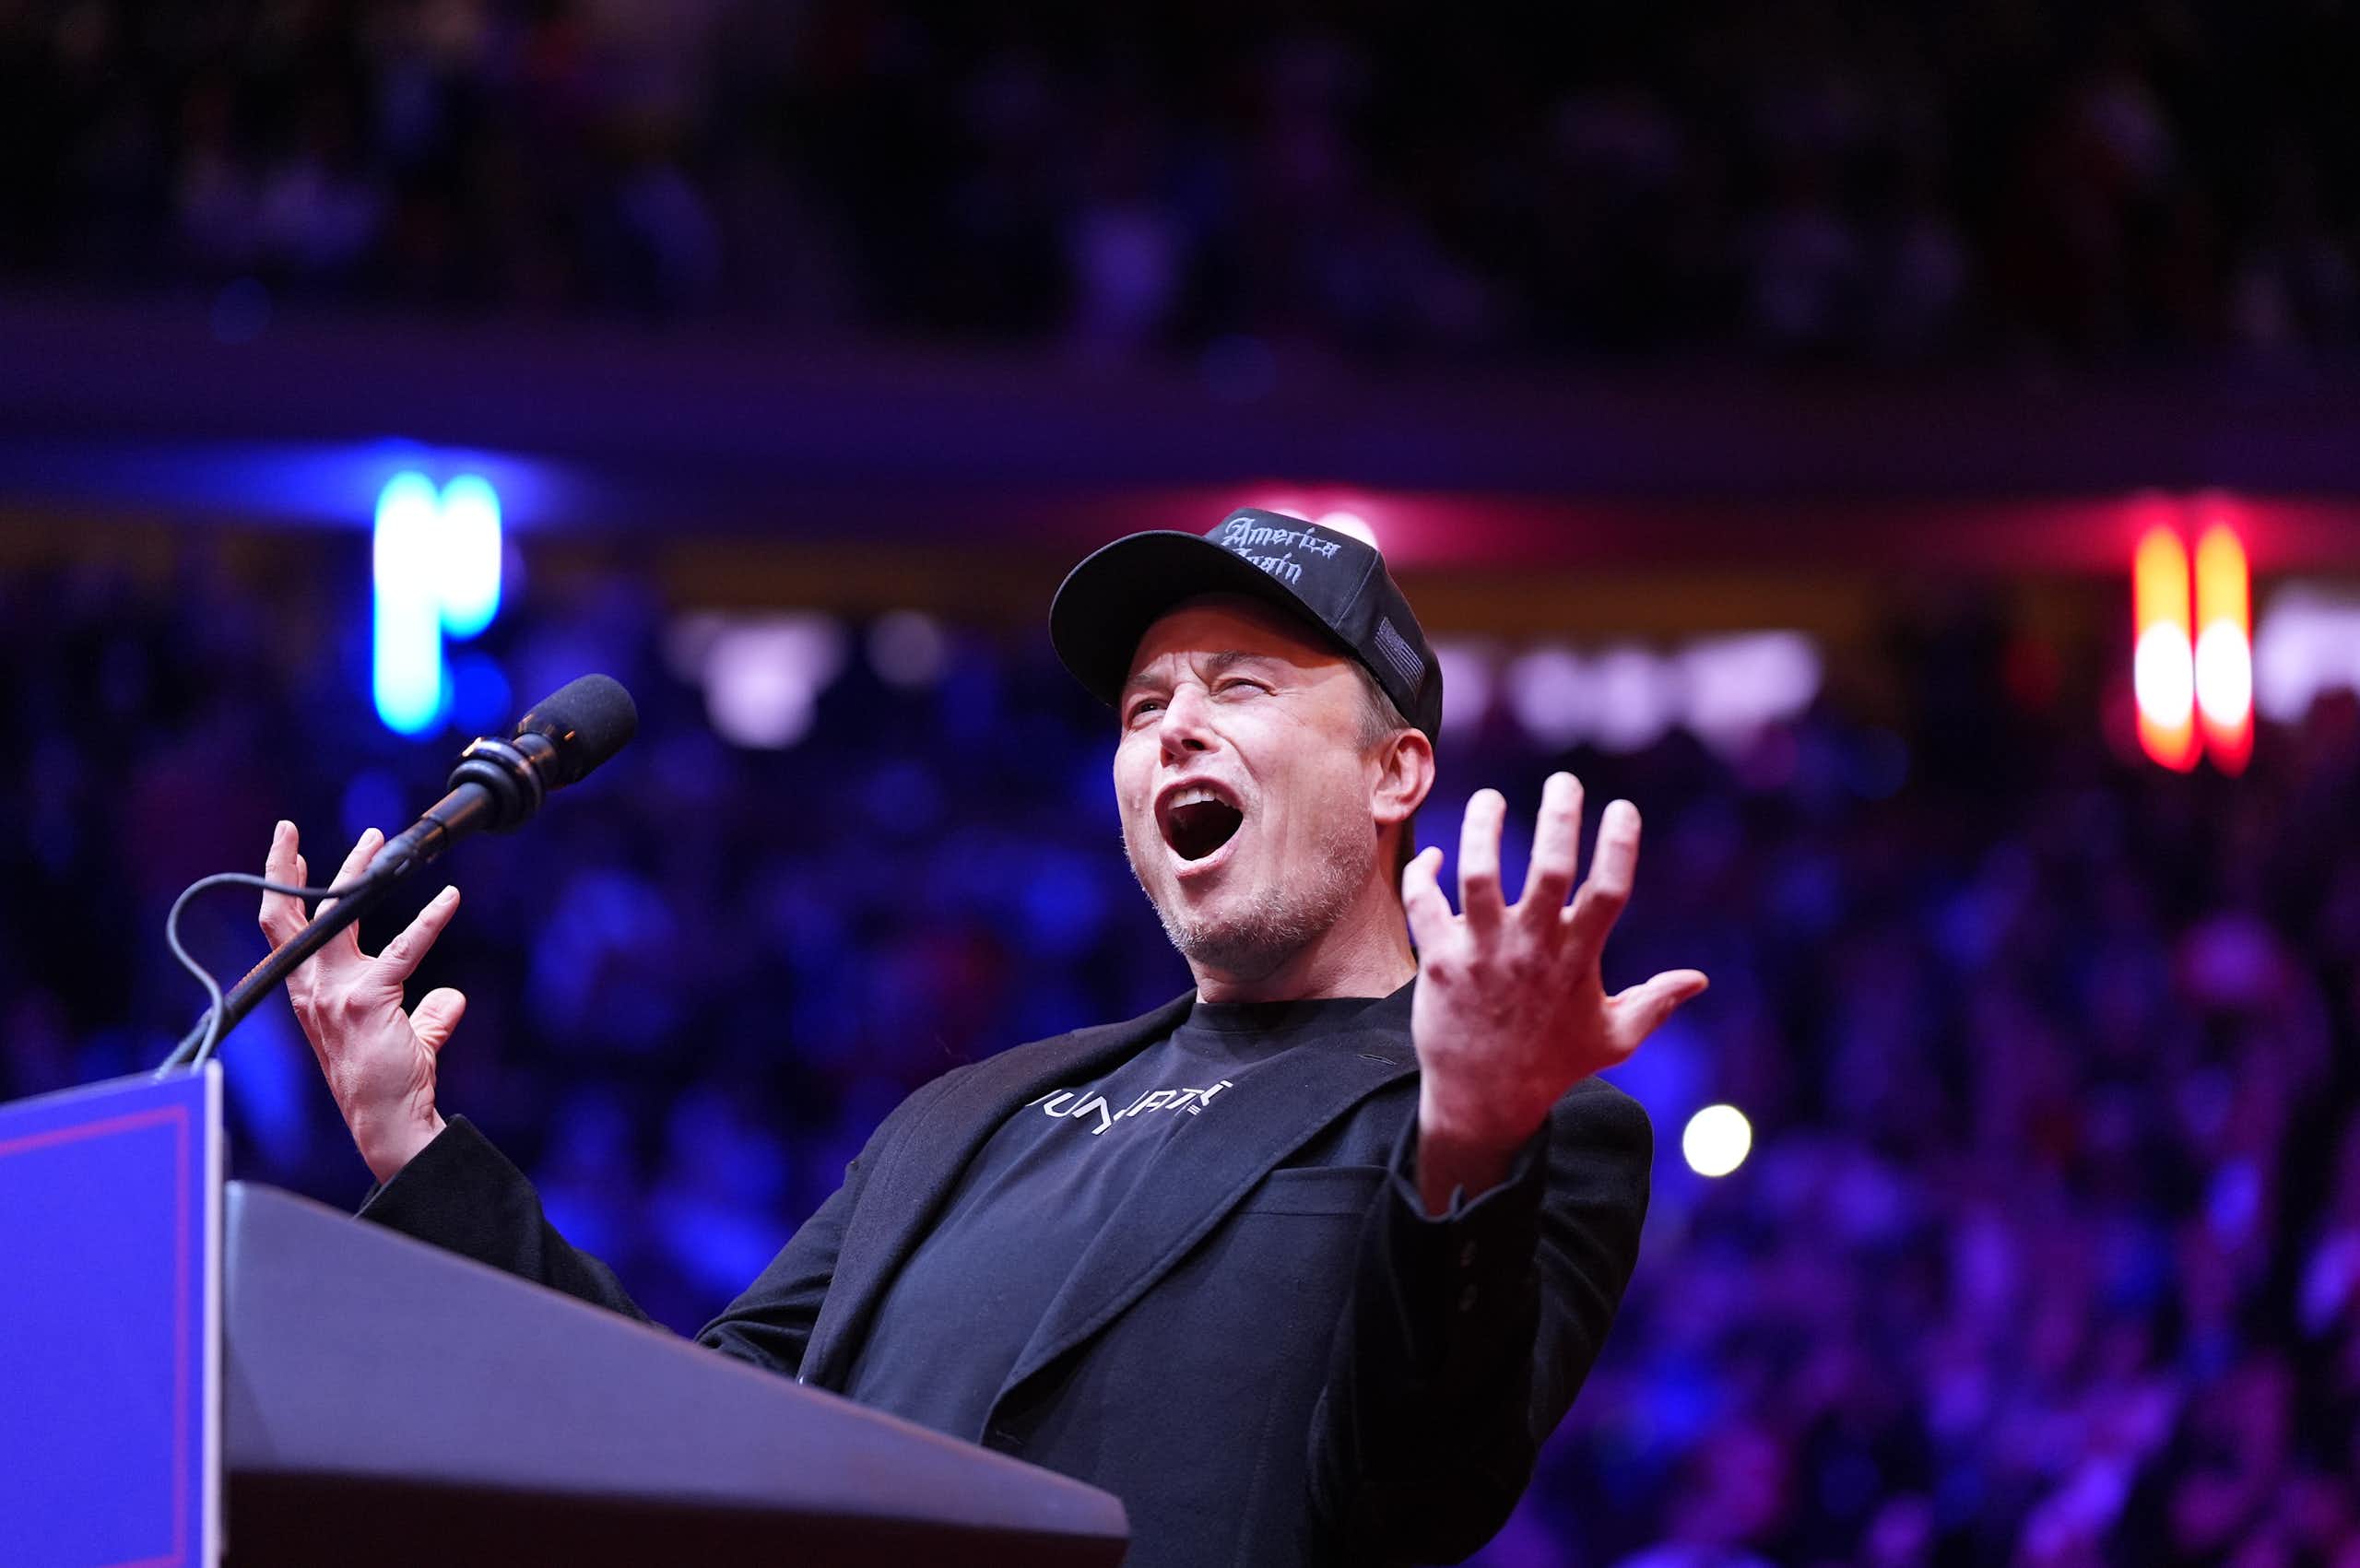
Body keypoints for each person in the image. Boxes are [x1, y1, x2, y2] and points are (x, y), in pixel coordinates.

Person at [257, 508, 1709, 1568]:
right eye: (1144, 707)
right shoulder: (969, 1113)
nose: (1174, 730)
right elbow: (684, 1426)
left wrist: (1468, 1137)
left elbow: (1417, 1496)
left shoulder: (1522, 1128)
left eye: (1242, 686)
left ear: (1396, 772)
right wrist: (410, 1138)